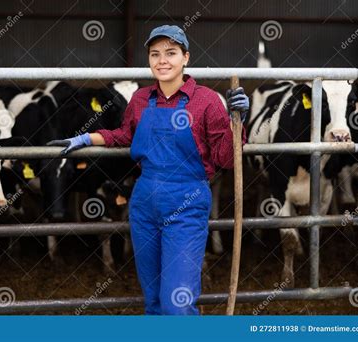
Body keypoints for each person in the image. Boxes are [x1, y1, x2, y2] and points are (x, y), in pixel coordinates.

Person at [48, 25, 249, 315]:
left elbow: (227, 160)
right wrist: (86, 138)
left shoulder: (206, 101)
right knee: (153, 300)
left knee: (176, 303)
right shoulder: (141, 99)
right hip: (144, 202)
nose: (162, 60)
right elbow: (126, 135)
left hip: (187, 202)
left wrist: (238, 123)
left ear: (186, 58)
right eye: (155, 54)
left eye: (171, 53)